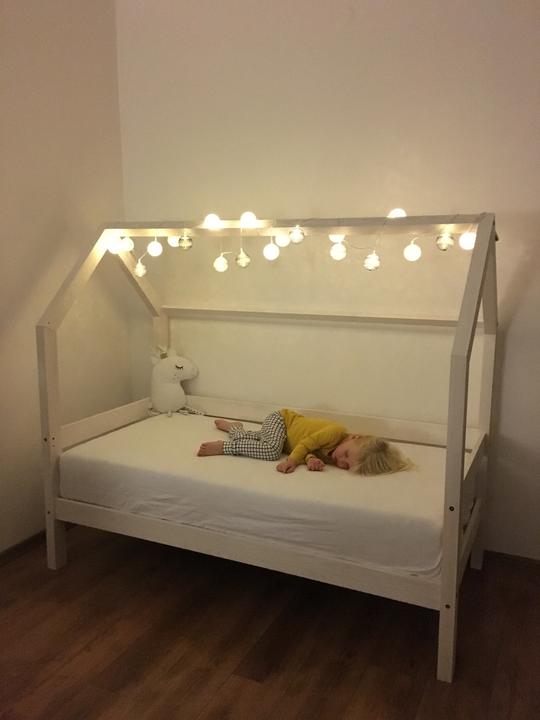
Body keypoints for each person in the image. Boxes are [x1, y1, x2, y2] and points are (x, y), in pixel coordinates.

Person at [197, 408, 411, 475]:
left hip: (284, 440)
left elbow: (311, 451)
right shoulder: (336, 432)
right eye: (346, 455)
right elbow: (306, 444)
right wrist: (293, 460)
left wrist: (310, 460)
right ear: (354, 438)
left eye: (346, 465)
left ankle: (234, 429)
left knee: (260, 442)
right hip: (282, 421)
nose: (340, 461)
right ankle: (225, 447)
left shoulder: (333, 455)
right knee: (271, 451)